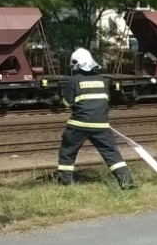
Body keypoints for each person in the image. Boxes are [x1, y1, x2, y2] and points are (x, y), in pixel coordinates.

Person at [55, 48, 137, 189]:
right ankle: (127, 182)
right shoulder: (102, 80)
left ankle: (65, 183)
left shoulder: (74, 80)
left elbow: (66, 103)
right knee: (111, 153)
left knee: (67, 152)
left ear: (78, 63)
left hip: (78, 125)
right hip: (101, 125)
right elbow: (106, 99)